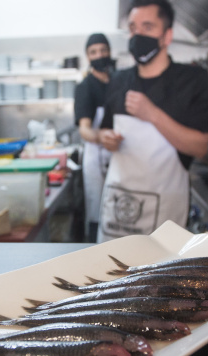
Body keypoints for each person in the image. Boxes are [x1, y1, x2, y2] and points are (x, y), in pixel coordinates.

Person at [97, 0, 208, 242]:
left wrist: (152, 114)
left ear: (167, 36)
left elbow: (200, 147)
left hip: (165, 215)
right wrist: (106, 139)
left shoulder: (192, 81)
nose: (137, 35)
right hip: (118, 210)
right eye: (133, 28)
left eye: (148, 27)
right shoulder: (119, 80)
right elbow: (104, 133)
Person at [74, 33, 115, 242]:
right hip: (96, 157)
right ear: (88, 57)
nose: (99, 55)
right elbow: (84, 130)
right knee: (97, 209)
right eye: (94, 52)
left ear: (109, 52)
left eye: (103, 50)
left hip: (120, 155)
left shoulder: (119, 81)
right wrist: (101, 136)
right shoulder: (85, 88)